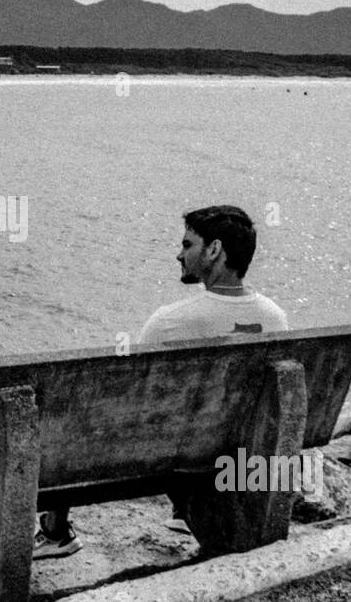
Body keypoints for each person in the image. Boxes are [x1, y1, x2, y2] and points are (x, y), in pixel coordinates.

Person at [33, 205, 289, 560]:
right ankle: (186, 513)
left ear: (214, 250)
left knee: (76, 420)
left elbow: (132, 403)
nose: (179, 254)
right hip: (236, 459)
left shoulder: (169, 322)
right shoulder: (275, 318)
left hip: (171, 462)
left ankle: (55, 530)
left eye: (188, 244)